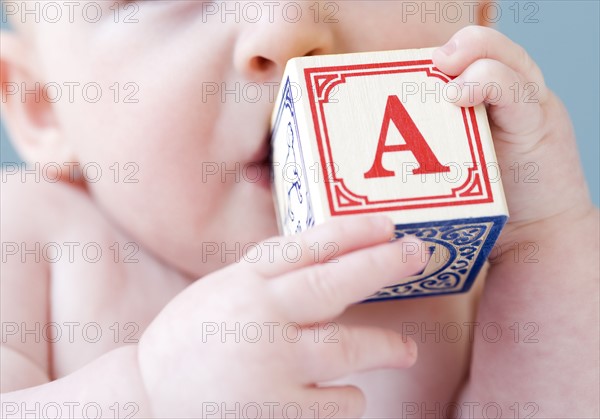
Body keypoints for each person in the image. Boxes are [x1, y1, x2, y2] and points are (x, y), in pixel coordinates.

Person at [1, 1, 598, 418]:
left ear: (477, 16)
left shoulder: (452, 264)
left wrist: (546, 243)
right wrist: (148, 398)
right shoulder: (34, 242)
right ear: (43, 106)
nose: (285, 27)